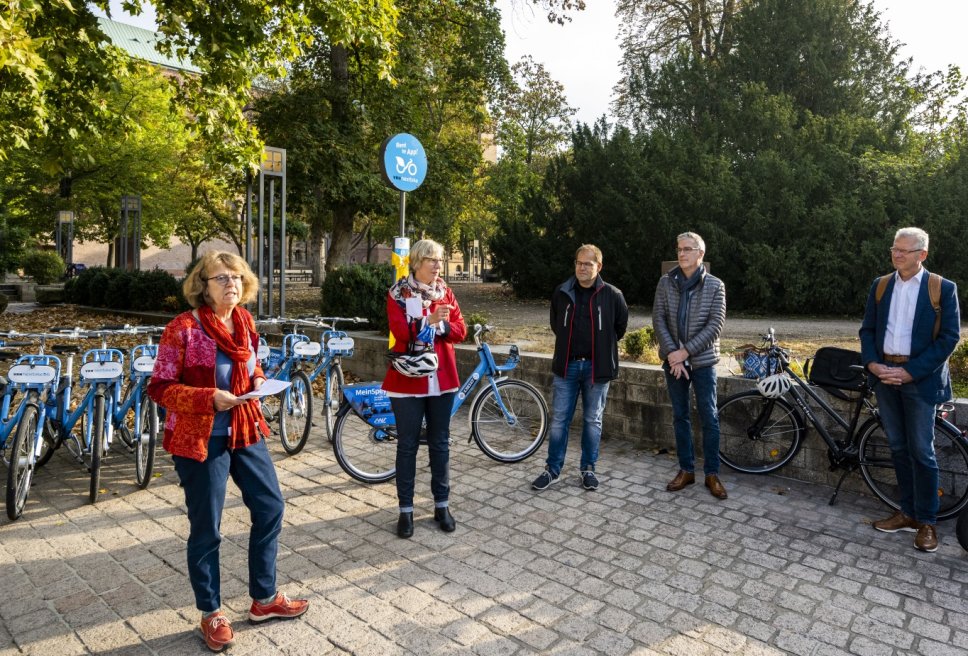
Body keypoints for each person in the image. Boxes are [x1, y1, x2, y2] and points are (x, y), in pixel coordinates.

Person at [148, 251, 308, 652]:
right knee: (208, 527)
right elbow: (160, 387)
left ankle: (264, 598)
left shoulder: (244, 322)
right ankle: (211, 611)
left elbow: (252, 366)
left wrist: (257, 381)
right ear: (202, 285)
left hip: (244, 427)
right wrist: (208, 398)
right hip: (201, 438)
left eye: (236, 277)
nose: (231, 284)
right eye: (221, 278)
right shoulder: (182, 329)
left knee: (270, 506)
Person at [860, 227, 960, 553]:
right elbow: (868, 330)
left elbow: (948, 339)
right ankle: (907, 512)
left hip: (919, 380)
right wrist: (874, 365)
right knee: (899, 449)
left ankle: (927, 521)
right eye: (894, 249)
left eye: (904, 250)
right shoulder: (881, 285)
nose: (897, 255)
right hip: (885, 376)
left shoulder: (941, 288)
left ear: (922, 254)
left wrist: (909, 372)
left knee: (922, 452)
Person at [383, 239, 467, 538]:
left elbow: (460, 329)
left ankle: (441, 506)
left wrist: (440, 326)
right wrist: (428, 321)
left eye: (440, 260)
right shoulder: (398, 294)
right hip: (407, 380)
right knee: (406, 446)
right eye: (432, 259)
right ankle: (405, 511)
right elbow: (400, 333)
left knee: (440, 443)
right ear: (417, 261)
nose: (437, 265)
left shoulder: (445, 292)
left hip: (442, 381)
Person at [532, 244, 628, 492]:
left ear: (599, 267)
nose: (582, 268)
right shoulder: (562, 292)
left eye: (588, 263)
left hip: (597, 369)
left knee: (592, 421)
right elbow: (557, 325)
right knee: (559, 421)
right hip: (568, 366)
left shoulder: (613, 295)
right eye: (578, 263)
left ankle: (588, 469)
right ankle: (552, 469)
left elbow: (619, 328)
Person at [653, 232, 728, 499]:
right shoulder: (666, 282)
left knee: (709, 416)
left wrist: (685, 352)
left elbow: (714, 327)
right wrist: (673, 354)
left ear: (700, 254)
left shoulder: (716, 286)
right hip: (674, 363)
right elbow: (658, 318)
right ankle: (686, 470)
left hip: (703, 362)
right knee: (680, 416)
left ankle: (712, 473)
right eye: (679, 249)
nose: (681, 253)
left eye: (687, 249)